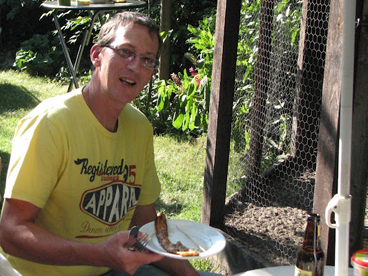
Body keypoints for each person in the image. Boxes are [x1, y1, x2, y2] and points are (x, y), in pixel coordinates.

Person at [0, 12, 223, 276]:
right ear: (96, 55)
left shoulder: (139, 128)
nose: (135, 66)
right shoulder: (51, 124)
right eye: (125, 51)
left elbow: (145, 228)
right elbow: (10, 232)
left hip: (111, 268)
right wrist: (100, 254)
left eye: (147, 59)